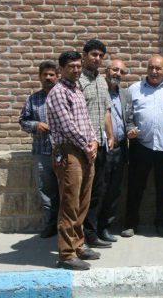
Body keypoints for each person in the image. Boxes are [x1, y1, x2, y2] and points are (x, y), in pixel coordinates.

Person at [46, 51, 99, 271]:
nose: (76, 70)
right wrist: (87, 146)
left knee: (83, 201)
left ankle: (78, 244)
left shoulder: (77, 90)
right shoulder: (58, 92)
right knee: (69, 203)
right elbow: (68, 127)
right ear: (61, 69)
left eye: (78, 66)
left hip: (85, 150)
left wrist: (94, 141)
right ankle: (66, 254)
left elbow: (87, 121)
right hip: (69, 152)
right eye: (71, 66)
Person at [122, 55, 163, 238]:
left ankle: (162, 223)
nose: (154, 72)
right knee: (135, 187)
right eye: (151, 68)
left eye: (158, 68)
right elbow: (127, 116)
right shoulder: (134, 89)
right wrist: (130, 128)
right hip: (141, 146)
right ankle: (130, 223)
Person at [79, 39, 114, 249]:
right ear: (84, 55)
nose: (97, 58)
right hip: (83, 147)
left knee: (97, 192)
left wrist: (110, 135)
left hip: (100, 145)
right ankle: (79, 237)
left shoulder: (101, 80)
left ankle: (91, 234)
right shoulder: (77, 80)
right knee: (81, 193)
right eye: (94, 54)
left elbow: (107, 111)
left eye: (101, 55)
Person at [19, 61, 60, 238]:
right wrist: (36, 125)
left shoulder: (64, 96)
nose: (48, 77)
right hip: (41, 153)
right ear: (40, 77)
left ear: (57, 76)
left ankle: (66, 227)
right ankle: (51, 225)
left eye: (52, 74)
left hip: (63, 153)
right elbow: (23, 121)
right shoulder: (33, 99)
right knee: (46, 191)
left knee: (66, 190)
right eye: (45, 74)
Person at [96, 59, 130, 243]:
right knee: (98, 190)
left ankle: (105, 227)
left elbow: (129, 118)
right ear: (106, 70)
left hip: (120, 148)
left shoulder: (124, 94)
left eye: (122, 72)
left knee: (114, 191)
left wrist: (131, 129)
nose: (118, 74)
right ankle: (91, 229)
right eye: (115, 69)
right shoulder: (98, 90)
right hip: (102, 148)